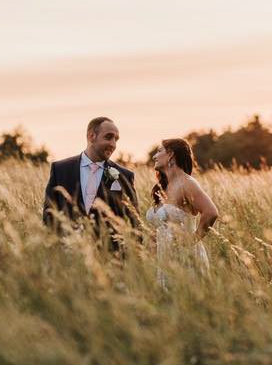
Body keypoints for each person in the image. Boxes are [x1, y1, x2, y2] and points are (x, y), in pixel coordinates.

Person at [42, 117, 139, 249]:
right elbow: (49, 214)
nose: (113, 144)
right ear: (91, 136)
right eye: (108, 137)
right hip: (68, 255)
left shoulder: (124, 176)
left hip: (110, 259)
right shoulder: (60, 169)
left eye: (116, 139)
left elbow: (134, 222)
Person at [145, 138, 219, 286]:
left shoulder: (187, 183)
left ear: (171, 155)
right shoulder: (163, 187)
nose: (154, 156)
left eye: (159, 151)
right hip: (164, 257)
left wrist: (191, 241)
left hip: (186, 258)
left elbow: (211, 212)